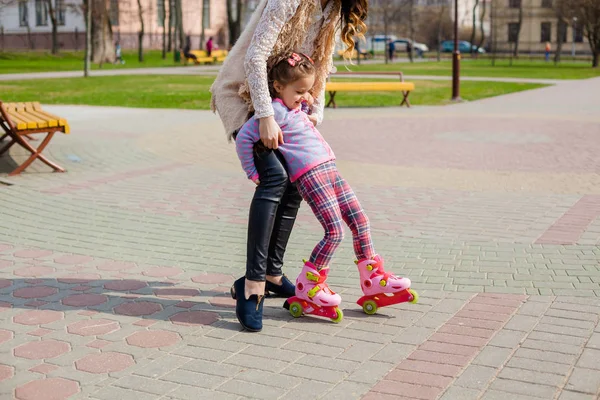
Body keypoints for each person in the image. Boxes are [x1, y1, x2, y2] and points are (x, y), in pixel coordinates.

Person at [210, 0, 369, 332]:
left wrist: (314, 117)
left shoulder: (333, 9)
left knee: (296, 181)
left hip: (286, 102)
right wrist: (265, 117)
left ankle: (272, 273)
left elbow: (320, 68)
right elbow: (255, 58)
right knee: (275, 177)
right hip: (244, 95)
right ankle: (253, 285)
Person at [235, 52, 413, 323]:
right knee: (334, 232)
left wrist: (305, 102)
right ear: (278, 87)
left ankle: (373, 279)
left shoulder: (295, 109)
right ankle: (310, 283)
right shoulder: (275, 112)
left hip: (331, 169)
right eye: (299, 91)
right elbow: (244, 139)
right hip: (311, 176)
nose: (304, 96)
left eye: (307, 91)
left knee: (361, 221)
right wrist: (251, 171)